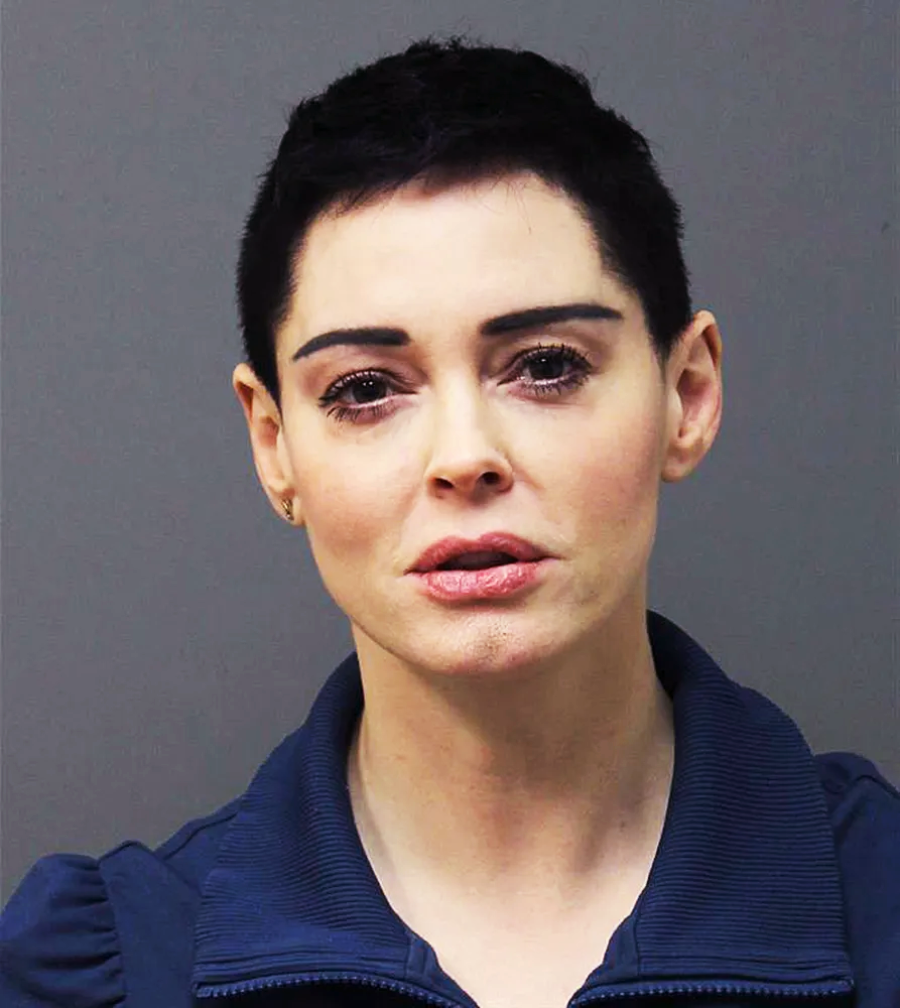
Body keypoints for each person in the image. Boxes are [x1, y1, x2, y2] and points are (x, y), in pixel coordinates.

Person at [1, 36, 897, 1008]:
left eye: (547, 364)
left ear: (687, 394)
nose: (462, 456)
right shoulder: (107, 969)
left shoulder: (881, 901)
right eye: (365, 388)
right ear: (274, 445)